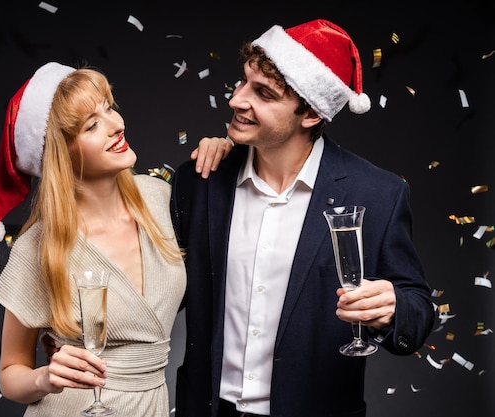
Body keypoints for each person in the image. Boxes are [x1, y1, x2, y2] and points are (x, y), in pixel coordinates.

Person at [170, 19, 435, 417]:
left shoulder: (378, 194)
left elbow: (417, 315)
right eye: (243, 82)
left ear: (310, 113)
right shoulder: (202, 179)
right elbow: (157, 289)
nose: (237, 100)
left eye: (263, 93)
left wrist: (394, 307)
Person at [0, 62, 229, 417]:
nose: (116, 125)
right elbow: (10, 375)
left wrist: (226, 154)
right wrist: (46, 378)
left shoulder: (160, 199)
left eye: (109, 107)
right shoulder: (39, 245)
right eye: (92, 125)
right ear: (61, 155)